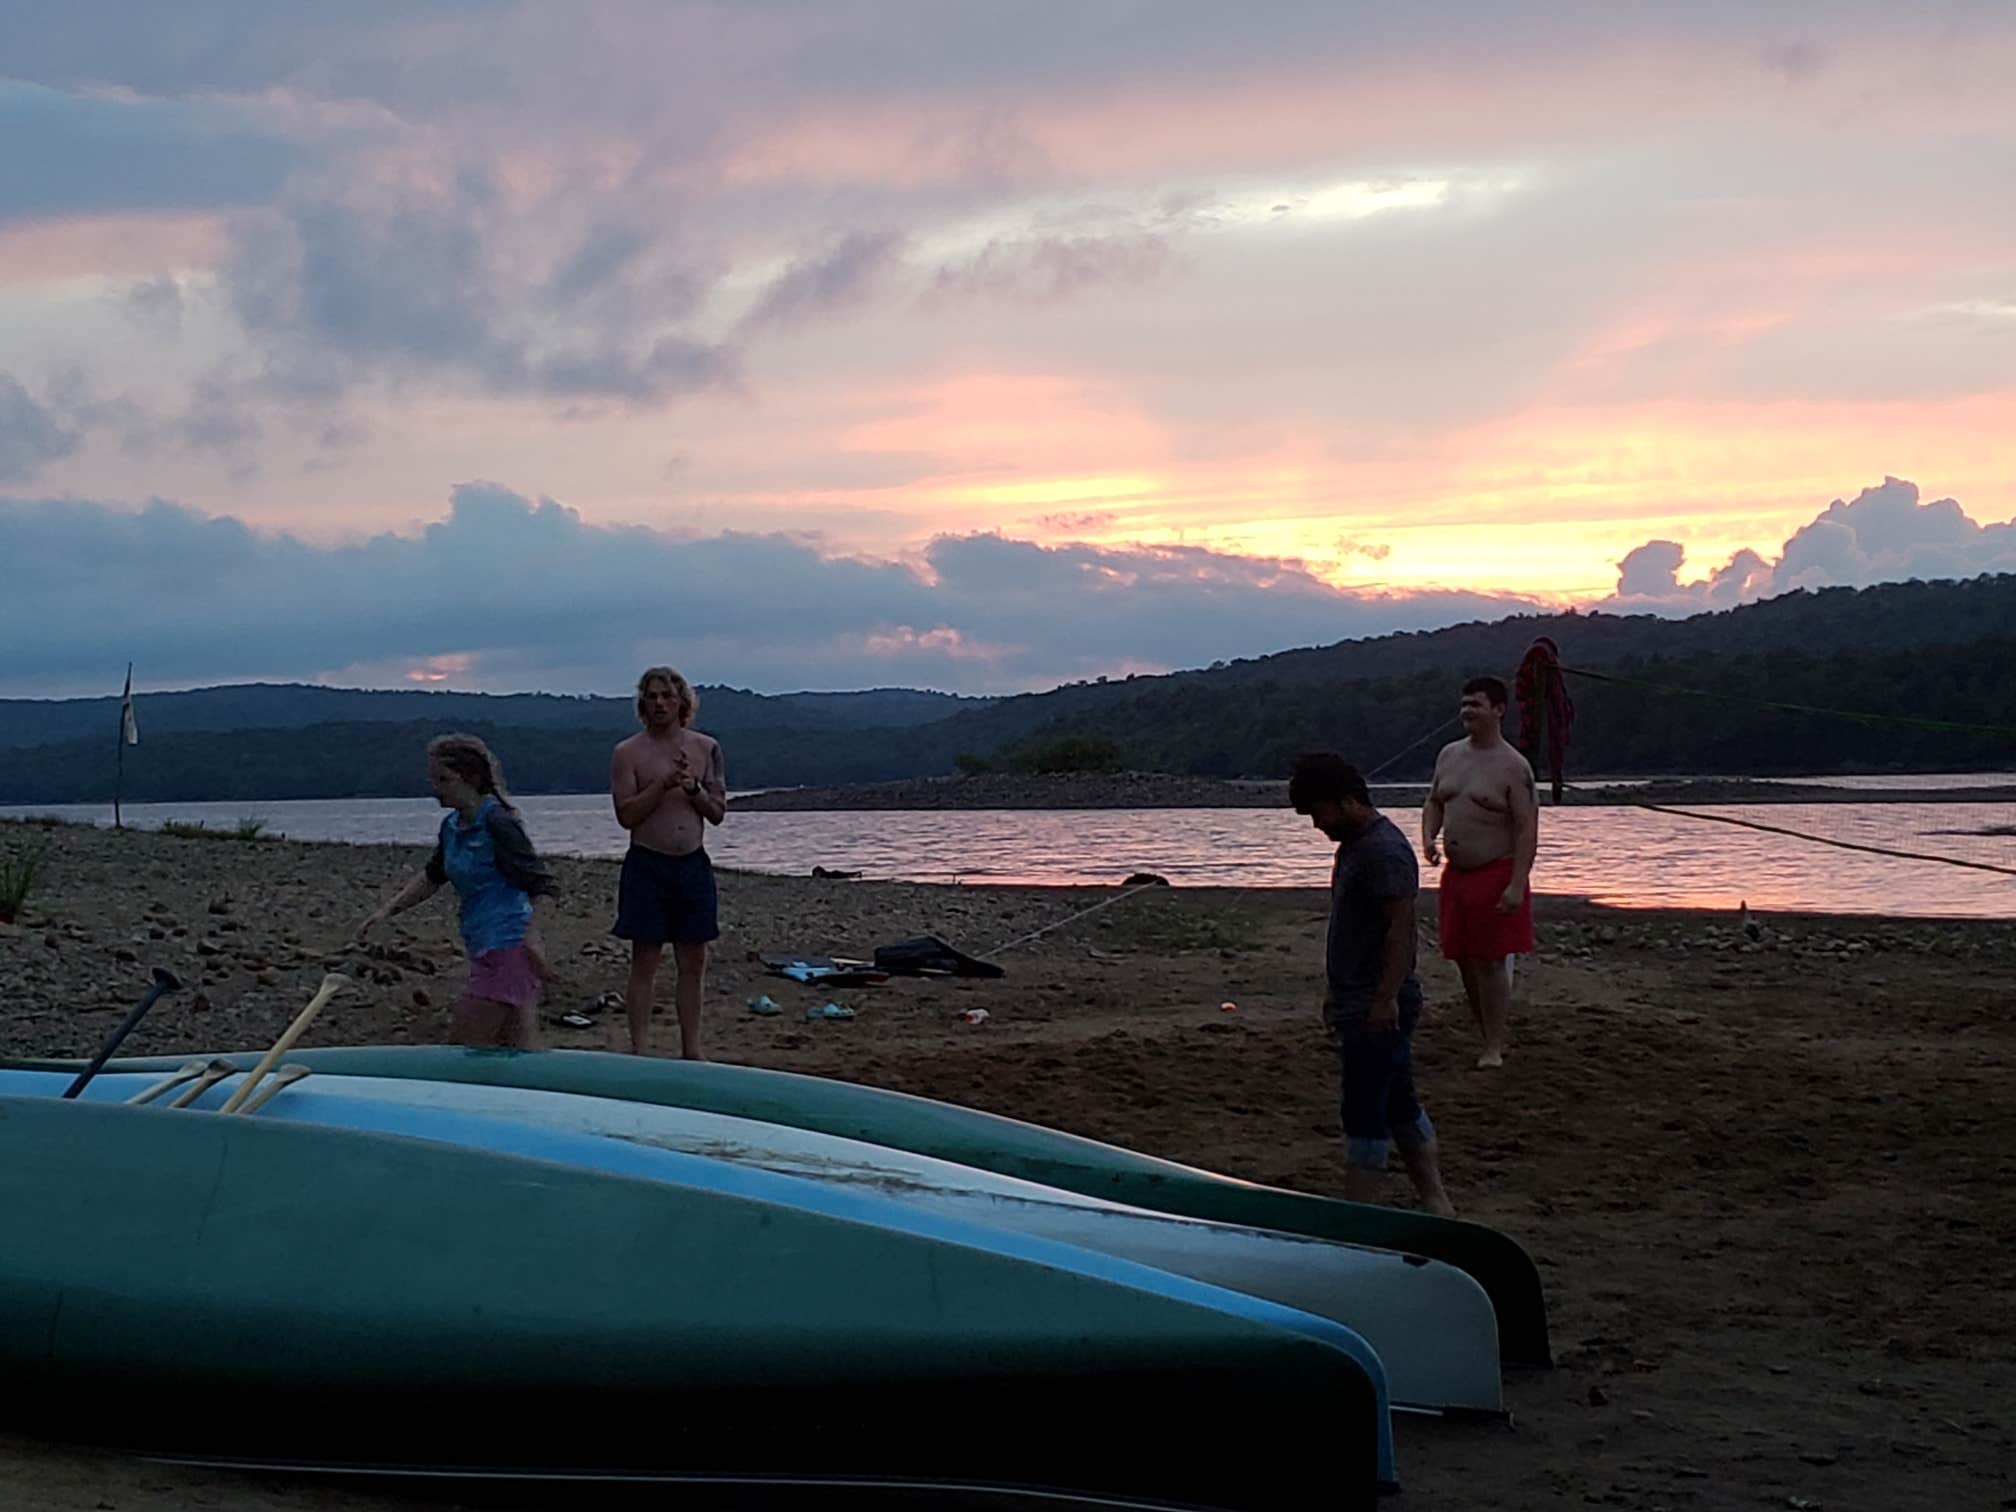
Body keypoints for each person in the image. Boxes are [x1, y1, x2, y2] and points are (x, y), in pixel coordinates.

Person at [1289, 753, 1454, 1216]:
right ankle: (1436, 1201)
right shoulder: (1356, 846)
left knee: (1363, 1112)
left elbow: (1400, 932)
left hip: (1379, 1003)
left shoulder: (1384, 851)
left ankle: (1360, 1214)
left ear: (1346, 801)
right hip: (1357, 998)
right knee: (1399, 1104)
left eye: (1318, 813)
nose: (1317, 824)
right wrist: (1335, 994)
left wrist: (1382, 1002)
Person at [357, 733, 557, 1049]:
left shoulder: (498, 823)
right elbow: (432, 876)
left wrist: (532, 937)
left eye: (444, 779)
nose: (435, 788)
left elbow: (543, 885)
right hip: (481, 945)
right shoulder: (452, 826)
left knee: (465, 1047)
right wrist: (387, 910)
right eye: (433, 779)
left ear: (470, 778)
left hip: (507, 948)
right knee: (515, 1050)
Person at [1421, 675, 1539, 1068]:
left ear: (1498, 710)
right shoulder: (1449, 755)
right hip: (1457, 874)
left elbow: (1526, 829)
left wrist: (1517, 884)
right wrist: (1428, 838)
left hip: (1496, 871)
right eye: (1464, 704)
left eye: (1476, 704)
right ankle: (1483, 1028)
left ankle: (1494, 1044)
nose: (1466, 711)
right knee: (1463, 957)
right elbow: (1434, 800)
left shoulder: (1514, 767)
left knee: (1491, 961)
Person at [609, 666, 725, 1058]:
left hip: (691, 864)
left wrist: (692, 788)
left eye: (667, 696)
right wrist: (663, 784)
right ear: (643, 703)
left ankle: (692, 1049)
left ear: (681, 702)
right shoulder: (628, 753)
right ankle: (639, 1049)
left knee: (693, 960)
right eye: (652, 696)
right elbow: (626, 814)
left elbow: (717, 811)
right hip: (647, 864)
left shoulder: (706, 748)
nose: (659, 703)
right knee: (645, 959)